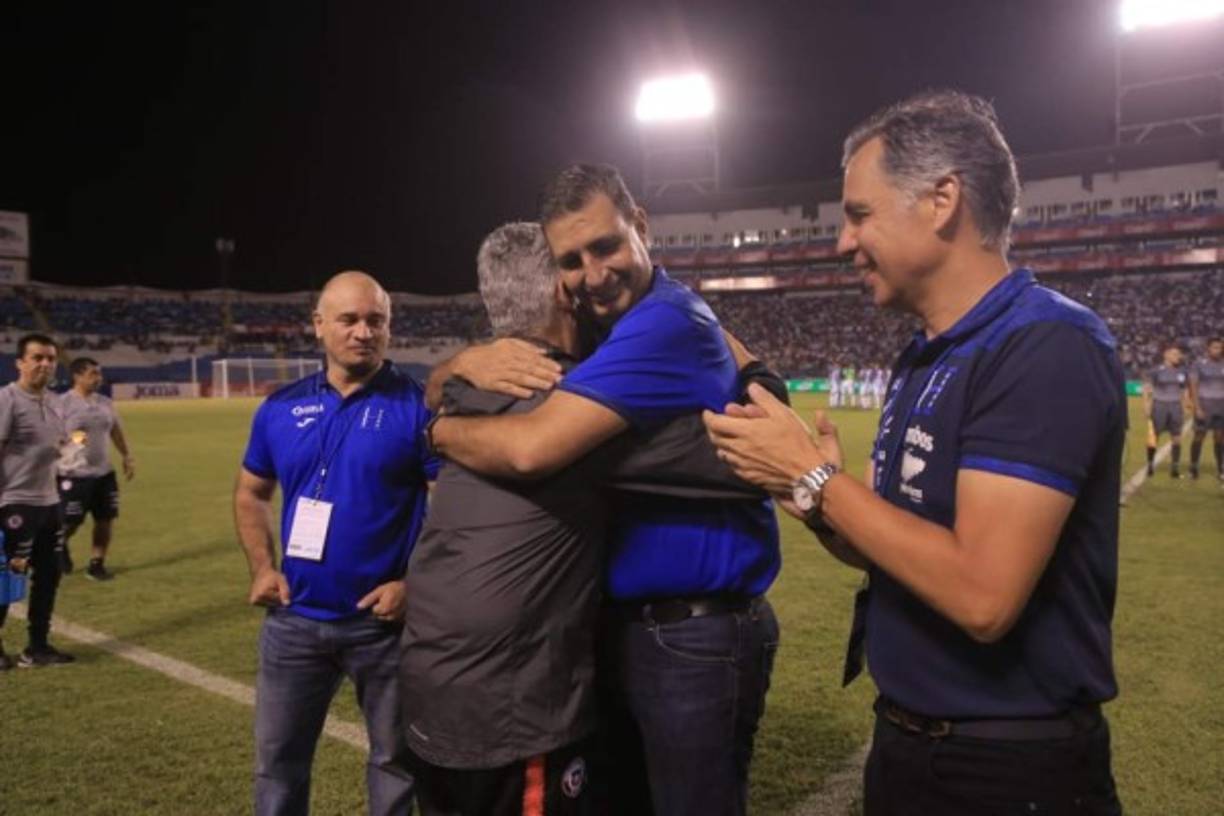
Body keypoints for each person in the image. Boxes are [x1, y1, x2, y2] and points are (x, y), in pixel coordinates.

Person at [705, 90, 1125, 815]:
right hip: (909, 743)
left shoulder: (1045, 344)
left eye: (859, 214)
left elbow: (982, 596)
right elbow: (895, 551)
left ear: (942, 200)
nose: (842, 241)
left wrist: (815, 476)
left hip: (1008, 767)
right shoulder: (926, 356)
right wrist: (809, 495)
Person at [427, 165, 782, 816]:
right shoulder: (614, 322)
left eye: (606, 246)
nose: (593, 274)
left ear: (640, 224)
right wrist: (463, 361)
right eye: (572, 260)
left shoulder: (663, 322)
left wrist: (438, 432)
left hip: (692, 634)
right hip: (626, 629)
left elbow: (531, 448)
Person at [233, 270, 436, 816]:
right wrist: (262, 567)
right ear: (319, 325)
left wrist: (414, 582)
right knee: (277, 766)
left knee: (395, 764)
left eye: (376, 320)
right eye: (349, 319)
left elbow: (450, 507)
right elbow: (252, 493)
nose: (363, 332)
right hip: (293, 621)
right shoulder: (280, 408)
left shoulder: (419, 407)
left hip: (384, 627)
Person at [0, 333, 75, 669]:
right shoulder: (7, 399)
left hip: (49, 502)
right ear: (20, 363)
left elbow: (61, 443)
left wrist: (71, 449)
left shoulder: (56, 401)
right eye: (37, 358)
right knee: (7, 577)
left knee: (49, 575)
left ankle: (38, 647)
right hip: (15, 502)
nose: (45, 364)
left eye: (51, 358)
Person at [57, 357, 135, 581]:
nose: (98, 378)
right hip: (74, 474)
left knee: (105, 519)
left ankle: (96, 564)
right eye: (93, 374)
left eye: (99, 374)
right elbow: (55, 435)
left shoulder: (105, 402)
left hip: (104, 473)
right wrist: (76, 441)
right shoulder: (62, 404)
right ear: (77, 376)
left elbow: (115, 429)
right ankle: (59, 545)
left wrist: (127, 455)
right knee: (70, 522)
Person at [1143, 344, 1188, 478]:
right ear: (1166, 355)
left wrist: (1185, 405)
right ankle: (1150, 465)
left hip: (1176, 407)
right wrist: (1146, 405)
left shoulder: (1182, 372)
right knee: (1154, 437)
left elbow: (1184, 390)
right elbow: (1147, 388)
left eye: (1179, 354)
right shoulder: (1156, 370)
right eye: (1175, 354)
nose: (1178, 357)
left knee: (1177, 438)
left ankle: (1175, 469)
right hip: (1159, 406)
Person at [1188, 336, 1224, 481]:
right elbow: (1193, 386)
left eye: (1220, 347)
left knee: (1220, 437)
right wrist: (1197, 407)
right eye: (1215, 347)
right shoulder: (1199, 364)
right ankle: (1193, 468)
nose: (1218, 350)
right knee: (1199, 436)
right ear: (1208, 348)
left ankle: (1220, 468)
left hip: (1221, 406)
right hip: (1205, 404)